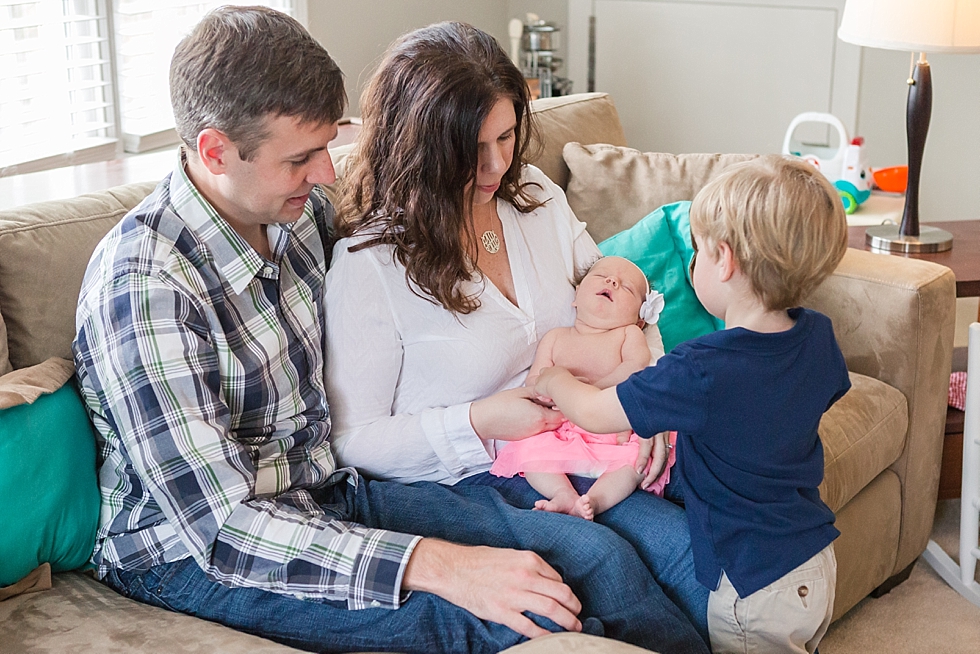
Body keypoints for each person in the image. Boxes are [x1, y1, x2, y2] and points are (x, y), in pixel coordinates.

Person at [72, 7, 706, 654]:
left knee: (609, 558)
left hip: (334, 494)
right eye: (303, 158)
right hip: (194, 554)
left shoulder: (298, 214)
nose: (328, 174)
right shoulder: (145, 289)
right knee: (525, 613)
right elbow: (222, 530)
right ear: (214, 150)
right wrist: (436, 563)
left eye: (330, 144)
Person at [326, 20, 710, 646]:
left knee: (699, 550)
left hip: (578, 437)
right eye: (472, 149)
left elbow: (621, 298)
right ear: (420, 148)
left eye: (506, 136)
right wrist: (479, 420)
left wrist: (652, 397)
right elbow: (353, 443)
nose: (497, 163)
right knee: (608, 566)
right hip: (459, 478)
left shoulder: (532, 195)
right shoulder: (371, 263)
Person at [533, 154, 852, 654]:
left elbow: (595, 412)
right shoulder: (818, 335)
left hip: (752, 582)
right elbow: (820, 392)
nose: (694, 265)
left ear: (724, 260)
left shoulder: (700, 367)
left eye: (697, 255)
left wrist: (554, 377)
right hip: (814, 558)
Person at [489, 256, 674, 520]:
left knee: (638, 459)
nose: (612, 281)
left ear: (639, 321)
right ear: (576, 295)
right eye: (602, 276)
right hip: (561, 427)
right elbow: (534, 381)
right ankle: (562, 494)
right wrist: (551, 395)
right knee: (528, 449)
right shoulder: (555, 338)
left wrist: (590, 393)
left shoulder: (626, 335)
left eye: (627, 288)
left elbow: (635, 367)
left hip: (612, 424)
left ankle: (596, 500)